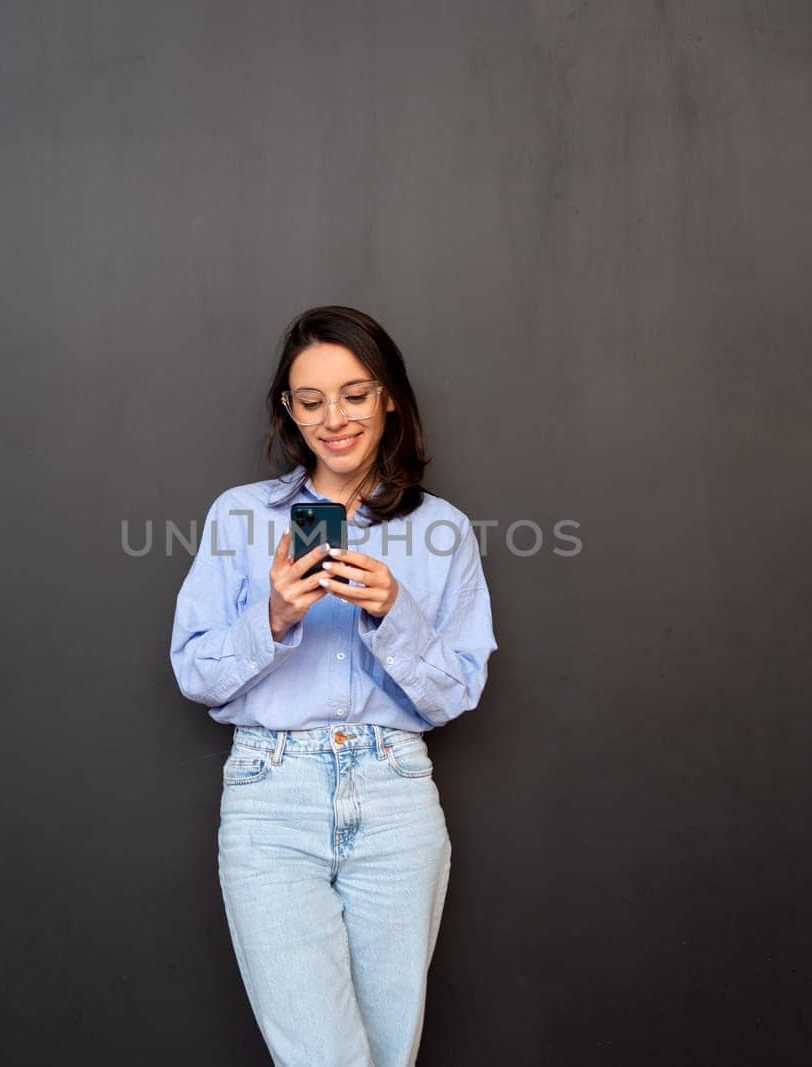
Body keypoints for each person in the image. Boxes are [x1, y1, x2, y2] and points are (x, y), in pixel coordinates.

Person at [169, 305, 498, 1066]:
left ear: (388, 396)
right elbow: (193, 669)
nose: (334, 418)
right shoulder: (241, 516)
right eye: (309, 399)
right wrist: (275, 616)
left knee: (387, 1055)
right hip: (270, 795)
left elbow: (458, 693)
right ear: (288, 408)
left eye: (354, 394)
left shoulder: (441, 528)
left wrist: (395, 611)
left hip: (395, 797)